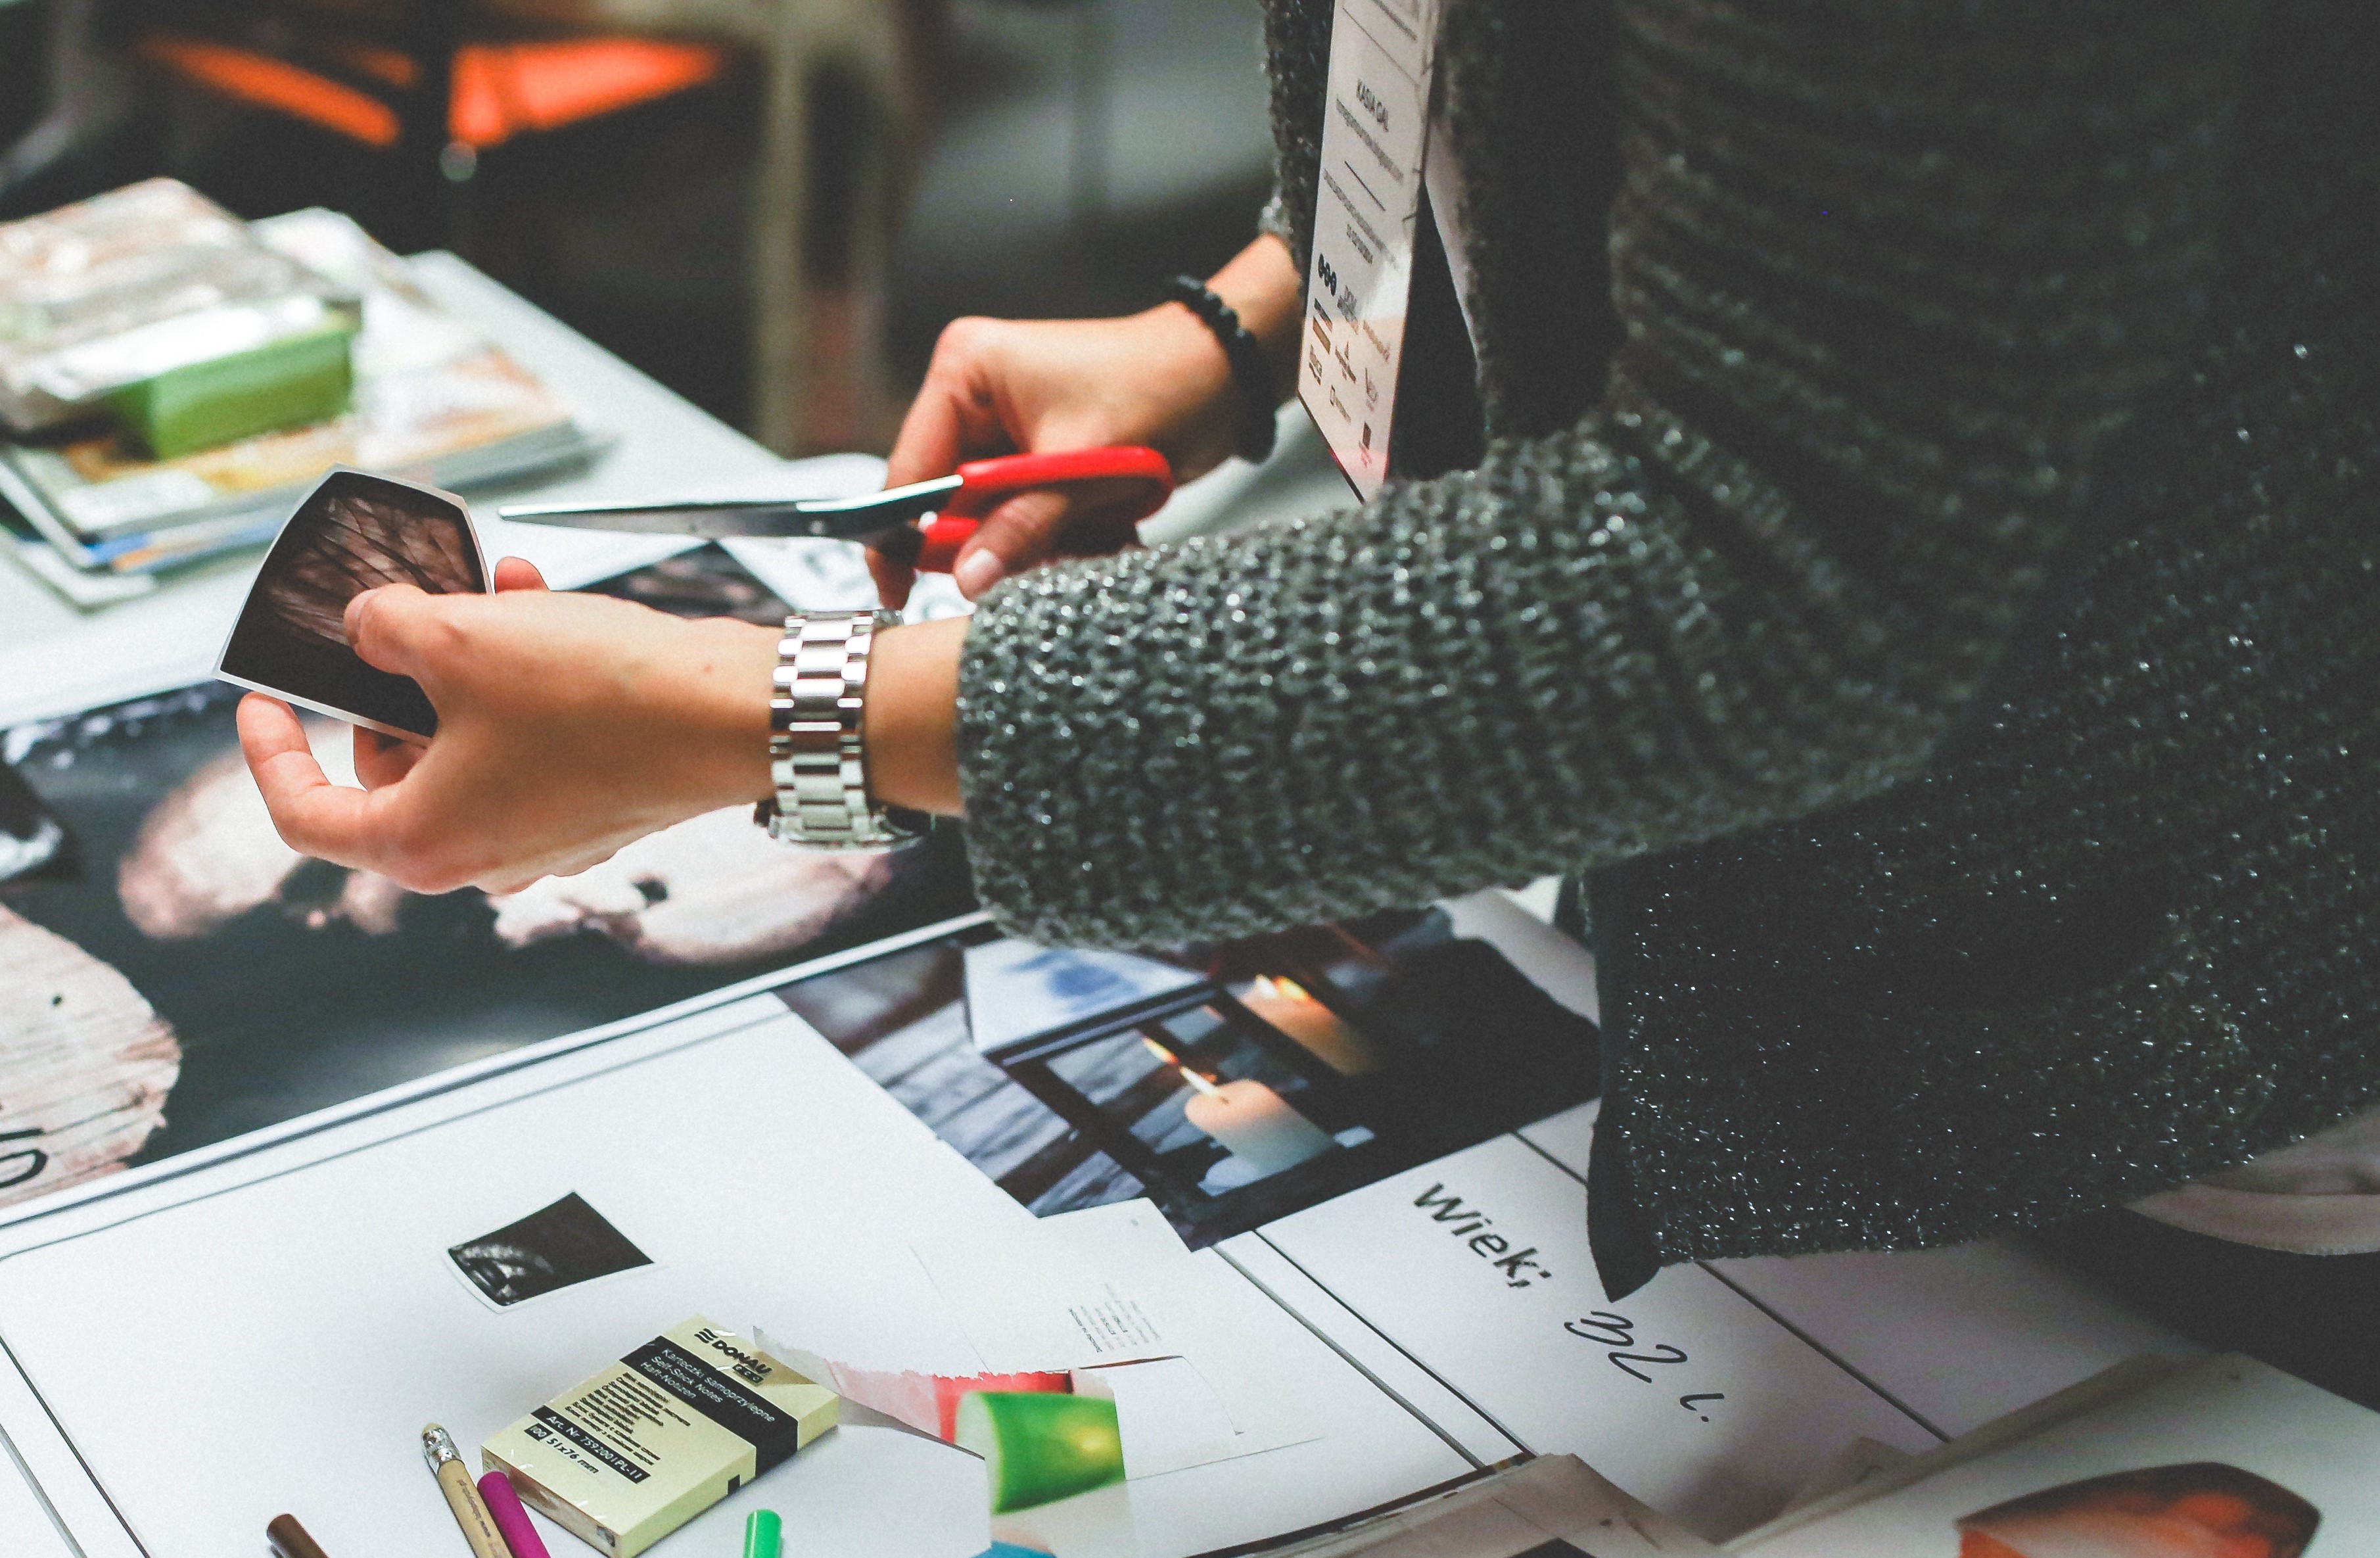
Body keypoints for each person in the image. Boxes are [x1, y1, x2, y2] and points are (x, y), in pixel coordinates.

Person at [240, 0, 2380, 1345]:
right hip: (1796, 991)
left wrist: (768, 715)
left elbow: (1773, 565)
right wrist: (1257, 317)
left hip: (2198, 1026)